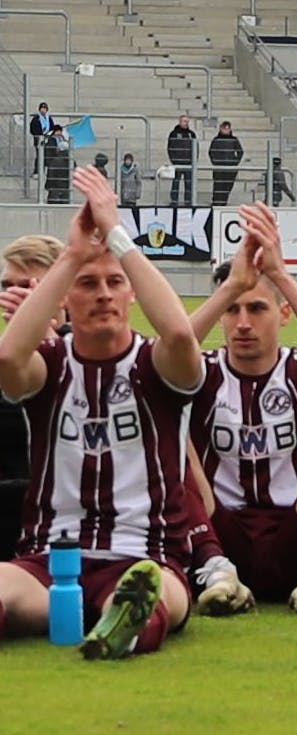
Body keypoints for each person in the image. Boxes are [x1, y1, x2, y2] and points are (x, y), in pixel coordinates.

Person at [0, 166, 202, 659]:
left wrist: (117, 236)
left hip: (144, 553)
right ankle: (108, 617)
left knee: (152, 593)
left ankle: (126, 622)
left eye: (115, 282)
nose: (104, 294)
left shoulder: (157, 365)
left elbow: (180, 335)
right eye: (88, 284)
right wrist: (71, 256)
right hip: (50, 559)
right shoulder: (49, 367)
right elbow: (7, 359)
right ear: (67, 296)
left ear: (132, 291)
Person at [182, 203, 297, 617]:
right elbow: (161, 362)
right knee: (165, 424)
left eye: (258, 308)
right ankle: (214, 569)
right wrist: (229, 288)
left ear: (284, 313)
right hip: (216, 542)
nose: (243, 322)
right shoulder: (203, 371)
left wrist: (281, 276)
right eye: (233, 310)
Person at [0, 234, 66, 563]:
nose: (14, 295)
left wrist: (49, 345)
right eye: (6, 286)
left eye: (28, 286)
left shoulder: (91, 358)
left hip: (68, 516)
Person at [209, 120, 245, 207]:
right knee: (218, 186)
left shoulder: (234, 140)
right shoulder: (216, 140)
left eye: (228, 129)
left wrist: (234, 162)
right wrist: (216, 162)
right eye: (224, 128)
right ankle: (216, 202)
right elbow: (211, 152)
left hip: (230, 168)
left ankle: (224, 201)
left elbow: (240, 152)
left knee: (228, 186)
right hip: (219, 168)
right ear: (220, 129)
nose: (226, 130)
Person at [167, 114, 197, 206]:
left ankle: (188, 201)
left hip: (189, 163)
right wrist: (173, 160)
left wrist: (194, 161)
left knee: (188, 184)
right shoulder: (174, 133)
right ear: (180, 121)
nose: (186, 123)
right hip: (177, 163)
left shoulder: (191, 134)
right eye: (184, 121)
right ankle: (174, 201)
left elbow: (196, 148)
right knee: (175, 182)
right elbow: (170, 147)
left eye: (187, 121)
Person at [29, 102, 56, 175]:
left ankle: (46, 171)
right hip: (39, 140)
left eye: (44, 109)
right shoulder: (36, 119)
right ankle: (37, 172)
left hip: (47, 140)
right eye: (42, 108)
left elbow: (52, 128)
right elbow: (32, 129)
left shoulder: (49, 118)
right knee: (39, 156)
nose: (43, 110)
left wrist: (49, 134)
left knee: (47, 155)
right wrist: (40, 134)